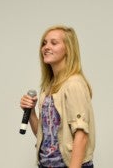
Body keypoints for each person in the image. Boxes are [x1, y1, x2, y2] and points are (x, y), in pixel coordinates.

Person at [20, 25, 95, 168]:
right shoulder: (48, 87)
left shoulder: (74, 84)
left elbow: (81, 135)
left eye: (53, 43)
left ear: (68, 49)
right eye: (44, 43)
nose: (46, 47)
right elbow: (46, 137)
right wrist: (31, 114)